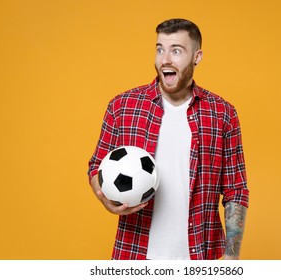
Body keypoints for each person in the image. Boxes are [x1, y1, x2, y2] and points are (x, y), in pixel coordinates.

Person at [88, 18, 249, 260]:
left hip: (199, 257)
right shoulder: (123, 107)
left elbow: (236, 190)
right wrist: (105, 199)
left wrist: (231, 256)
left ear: (197, 56)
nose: (165, 59)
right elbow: (97, 166)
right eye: (160, 49)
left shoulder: (222, 114)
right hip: (135, 255)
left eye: (176, 51)